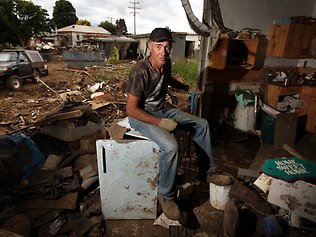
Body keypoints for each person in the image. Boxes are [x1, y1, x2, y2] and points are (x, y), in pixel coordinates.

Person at [125, 27, 215, 220]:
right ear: (150, 47)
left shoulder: (166, 64)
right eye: (158, 46)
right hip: (141, 115)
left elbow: (168, 80)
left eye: (167, 47)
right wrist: (160, 122)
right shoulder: (139, 70)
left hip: (161, 109)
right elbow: (131, 110)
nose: (163, 52)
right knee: (171, 146)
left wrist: (186, 87)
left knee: (202, 124)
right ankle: (166, 195)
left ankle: (207, 173)